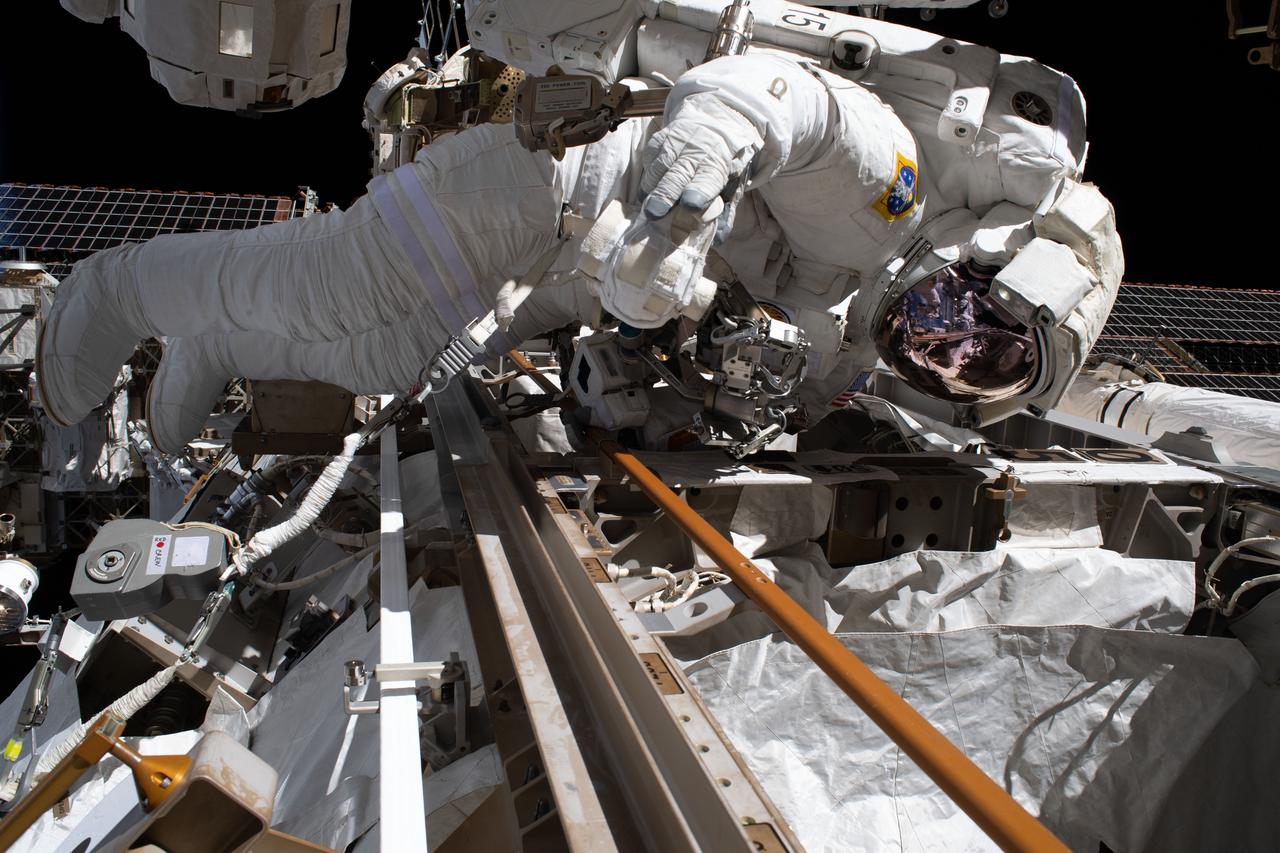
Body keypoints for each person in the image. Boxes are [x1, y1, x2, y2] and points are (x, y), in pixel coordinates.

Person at [35, 10, 1122, 452]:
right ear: (978, 261)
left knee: (377, 355)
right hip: (560, 179)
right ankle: (111, 293)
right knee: (331, 286)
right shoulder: (886, 197)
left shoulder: (853, 321)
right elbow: (754, 96)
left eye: (959, 370)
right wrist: (674, 239)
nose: (934, 345)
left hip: (572, 272)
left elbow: (766, 377)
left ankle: (210, 344)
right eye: (957, 321)